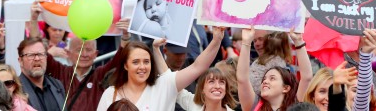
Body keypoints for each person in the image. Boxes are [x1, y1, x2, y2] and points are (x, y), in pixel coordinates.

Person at [96, 24, 225, 110]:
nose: (142, 67)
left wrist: (216, 40)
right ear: (125, 65)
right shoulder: (110, 94)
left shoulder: (164, 85)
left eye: (146, 61)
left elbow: (198, 67)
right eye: (136, 62)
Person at [238, 27, 313, 111]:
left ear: (285, 88)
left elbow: (307, 77)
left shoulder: (294, 106)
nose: (265, 81)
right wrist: (246, 42)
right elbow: (242, 79)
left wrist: (298, 41)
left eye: (272, 78)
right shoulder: (254, 105)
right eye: (264, 79)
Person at [17, 37, 66, 111]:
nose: (37, 59)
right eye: (31, 55)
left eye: (40, 54)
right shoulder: (15, 89)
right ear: (20, 61)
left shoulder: (57, 85)